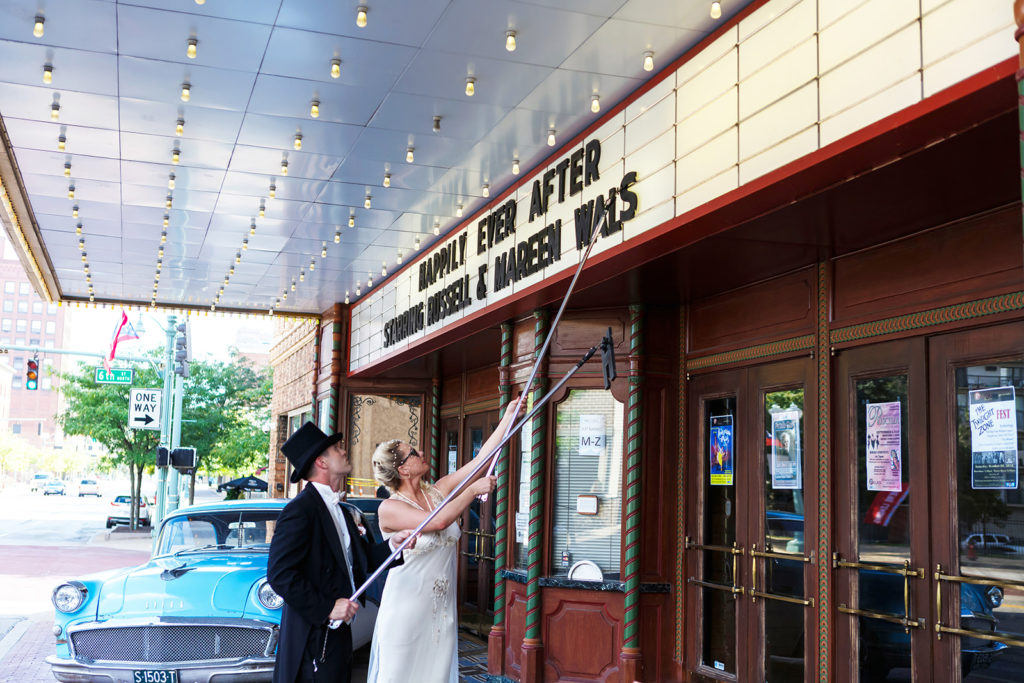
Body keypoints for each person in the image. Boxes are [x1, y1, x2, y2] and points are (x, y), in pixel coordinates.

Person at [366, 400, 524, 683]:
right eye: (414, 452)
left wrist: (508, 417)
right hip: (405, 610)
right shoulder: (389, 508)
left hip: (440, 611)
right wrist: (472, 492)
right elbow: (435, 522)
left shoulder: (438, 490)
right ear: (403, 469)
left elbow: (480, 462)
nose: (422, 452)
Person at [268, 422, 415, 683]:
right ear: (321, 463)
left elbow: (359, 562)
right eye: (336, 448)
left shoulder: (342, 510)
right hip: (312, 637)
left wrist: (394, 545)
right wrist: (327, 608)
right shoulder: (300, 511)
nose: (344, 451)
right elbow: (280, 574)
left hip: (339, 633)